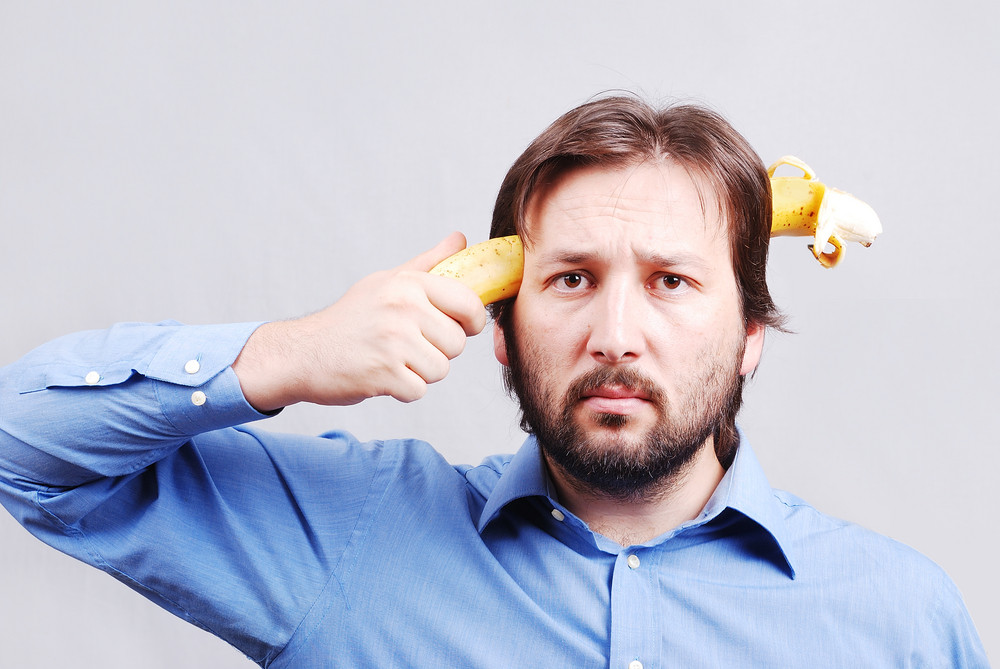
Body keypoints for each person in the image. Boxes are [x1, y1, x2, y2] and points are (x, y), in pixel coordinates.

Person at [0, 95, 988, 667]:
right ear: (503, 334)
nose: (615, 334)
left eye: (672, 282)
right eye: (569, 281)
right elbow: (25, 448)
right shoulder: (349, 536)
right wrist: (287, 355)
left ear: (749, 338)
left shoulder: (897, 618)